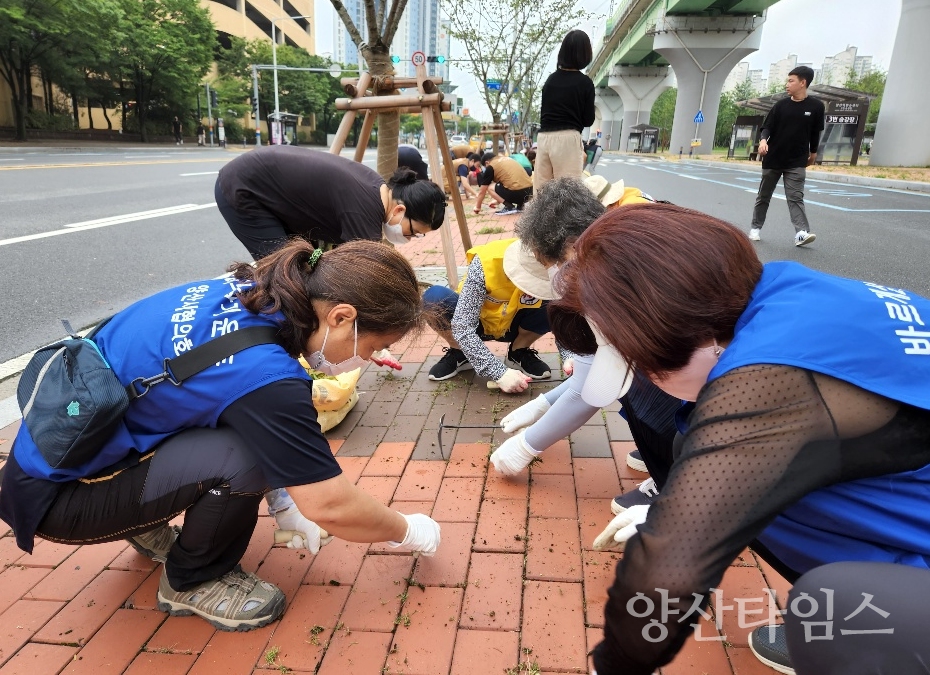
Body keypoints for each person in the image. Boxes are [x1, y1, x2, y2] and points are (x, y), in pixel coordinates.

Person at [550, 203, 930, 675]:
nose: (643, 377)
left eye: (641, 363)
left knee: (830, 605)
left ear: (678, 328)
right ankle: (863, 624)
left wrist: (610, 667)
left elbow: (665, 579)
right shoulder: (786, 290)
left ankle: (870, 637)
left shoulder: (769, 381)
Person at [0, 240, 441, 633]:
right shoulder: (269, 376)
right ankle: (193, 580)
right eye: (372, 346)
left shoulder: (241, 291)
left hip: (55, 456)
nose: (369, 358)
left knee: (247, 435)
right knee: (246, 457)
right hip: (60, 500)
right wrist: (408, 530)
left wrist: (282, 499)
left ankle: (145, 522)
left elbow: (216, 391)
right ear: (342, 316)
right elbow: (330, 504)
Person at [489, 177, 679, 489]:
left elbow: (597, 384)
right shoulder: (618, 244)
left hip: (722, 376)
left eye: (548, 263)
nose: (553, 274)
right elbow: (594, 375)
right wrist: (544, 404)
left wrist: (527, 445)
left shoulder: (613, 277)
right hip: (713, 355)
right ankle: (668, 457)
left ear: (571, 245)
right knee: (630, 379)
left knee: (636, 384)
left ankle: (675, 478)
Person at [215, 147, 447, 259]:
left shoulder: (376, 189)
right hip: (245, 189)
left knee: (300, 264)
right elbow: (358, 275)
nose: (409, 238)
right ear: (399, 209)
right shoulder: (364, 211)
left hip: (264, 187)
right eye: (414, 231)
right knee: (283, 272)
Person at [422, 237, 562, 390]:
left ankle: (518, 351)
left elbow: (566, 316)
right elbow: (463, 326)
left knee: (558, 303)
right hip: (476, 322)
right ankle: (461, 352)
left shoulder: (558, 262)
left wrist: (571, 357)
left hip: (515, 323)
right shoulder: (486, 262)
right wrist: (499, 373)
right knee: (433, 298)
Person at [748, 66, 825, 247]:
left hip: (797, 160)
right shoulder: (781, 105)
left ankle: (801, 233)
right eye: (787, 80)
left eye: (791, 81)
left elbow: (815, 133)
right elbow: (767, 127)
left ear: (803, 83)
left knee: (795, 197)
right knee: (764, 196)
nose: (787, 84)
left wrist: (813, 153)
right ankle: (755, 228)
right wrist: (763, 141)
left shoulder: (816, 107)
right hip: (773, 158)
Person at [533, 30, 595, 192]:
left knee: (541, 194)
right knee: (568, 195)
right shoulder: (585, 83)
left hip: (544, 138)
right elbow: (588, 120)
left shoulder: (550, 80)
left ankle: (538, 219)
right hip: (567, 139)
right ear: (585, 54)